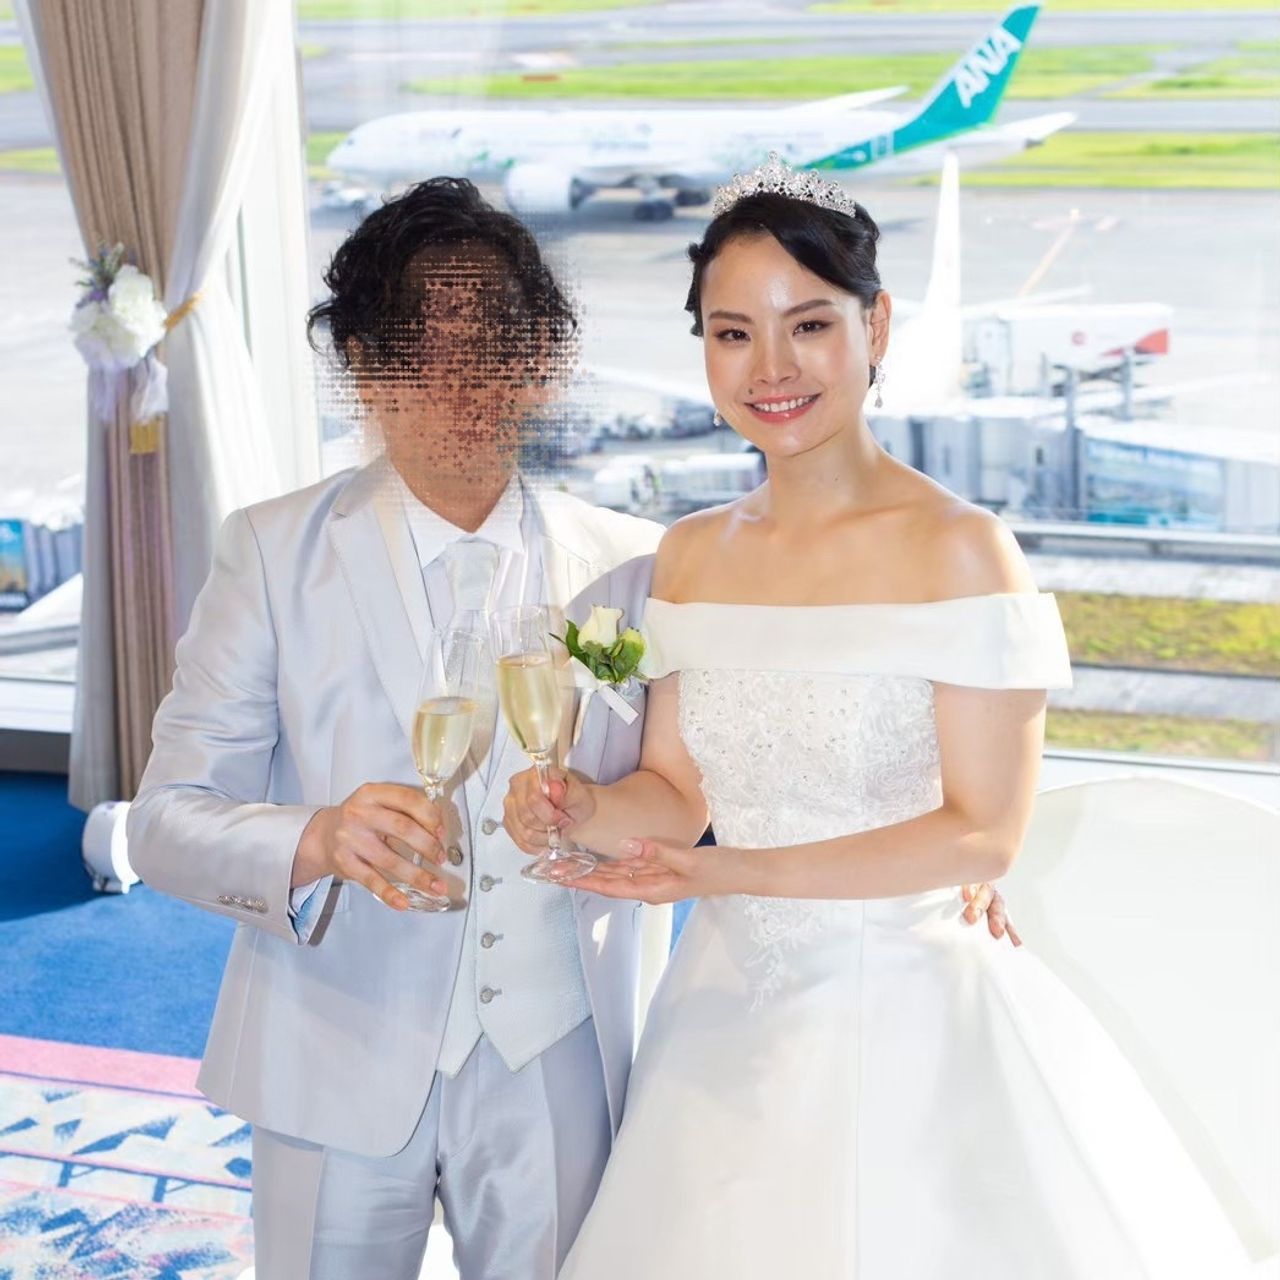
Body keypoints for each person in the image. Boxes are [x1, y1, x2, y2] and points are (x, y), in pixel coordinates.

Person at [503, 159, 1251, 1278]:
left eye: (808, 324)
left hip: (907, 1016)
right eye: (732, 334)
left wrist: (726, 871)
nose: (771, 368)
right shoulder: (691, 554)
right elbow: (677, 794)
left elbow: (980, 834)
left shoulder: (962, 550)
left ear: (876, 325)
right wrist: (581, 807)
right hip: (721, 1019)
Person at [127, 178, 672, 1280]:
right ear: (366, 369)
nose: (466, 386)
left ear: (543, 363)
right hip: (333, 1044)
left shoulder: (634, 564)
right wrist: (317, 837)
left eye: (497, 348)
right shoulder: (271, 552)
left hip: (556, 1058)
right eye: (425, 353)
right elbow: (164, 821)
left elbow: (691, 798)